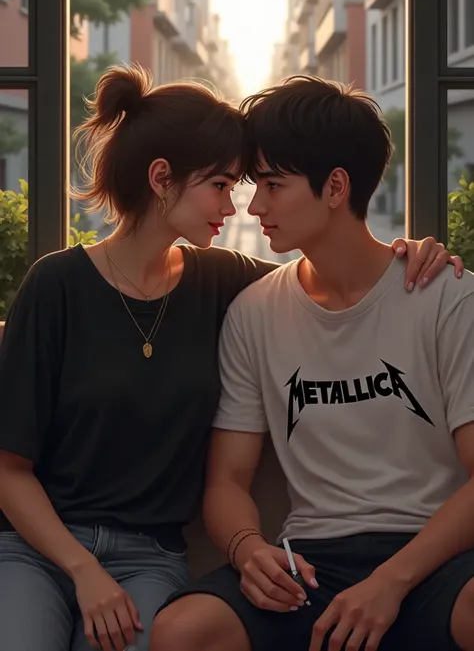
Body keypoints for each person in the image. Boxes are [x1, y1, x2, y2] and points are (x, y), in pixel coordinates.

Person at [0, 65, 460, 651]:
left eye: (253, 185)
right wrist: (87, 570)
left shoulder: (223, 281)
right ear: (162, 179)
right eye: (223, 185)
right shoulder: (58, 285)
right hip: (38, 548)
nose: (240, 206)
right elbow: (9, 467)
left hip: (149, 556)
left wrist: (412, 253)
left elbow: (340, 278)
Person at [150, 76, 474, 651]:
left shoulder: (448, 297)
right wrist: (249, 549)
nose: (255, 206)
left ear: (336, 187)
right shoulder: (255, 311)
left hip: (436, 558)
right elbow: (227, 479)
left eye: (273, 185)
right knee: (184, 631)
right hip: (315, 566)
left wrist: (391, 583)